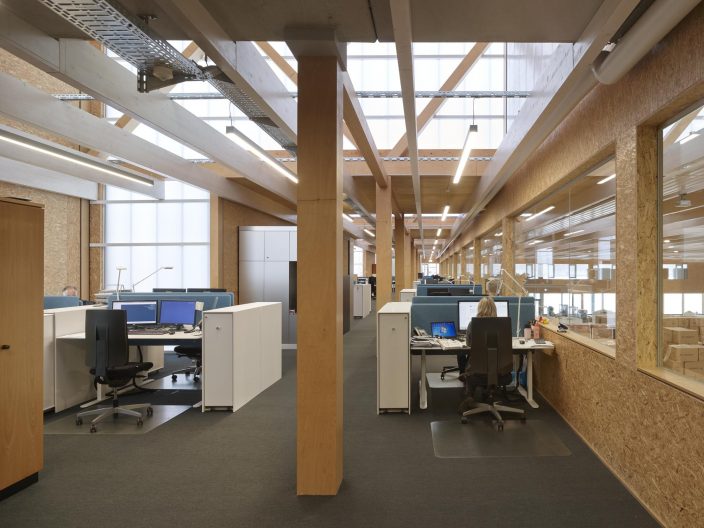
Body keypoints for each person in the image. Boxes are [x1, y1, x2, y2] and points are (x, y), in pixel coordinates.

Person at [457, 296, 496, 374]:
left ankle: (464, 375)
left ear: (479, 308)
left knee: (460, 353)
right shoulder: (502, 324)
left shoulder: (473, 324)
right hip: (498, 370)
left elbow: (468, 344)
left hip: (476, 369)